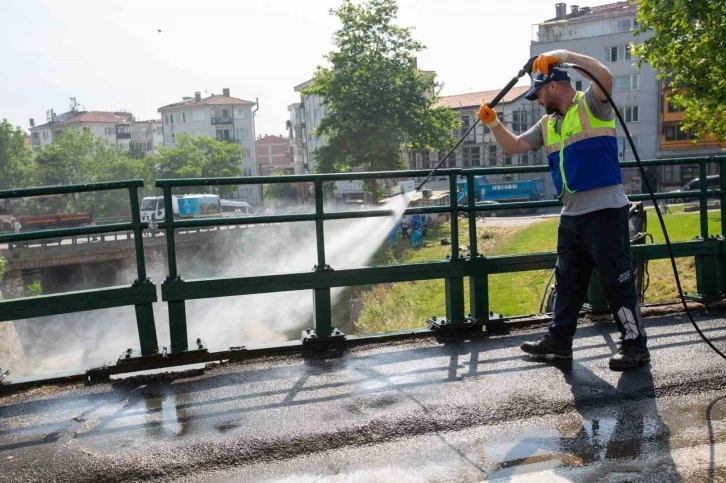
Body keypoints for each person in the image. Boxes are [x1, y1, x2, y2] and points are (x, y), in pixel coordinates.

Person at [477, 50, 649, 370]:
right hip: (571, 216)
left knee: (616, 282)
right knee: (568, 281)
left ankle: (635, 345)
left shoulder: (592, 104)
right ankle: (559, 343)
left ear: (553, 86)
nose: (538, 101)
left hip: (605, 212)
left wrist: (564, 55)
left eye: (538, 94)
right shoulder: (548, 125)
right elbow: (513, 146)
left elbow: (605, 76)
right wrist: (493, 122)